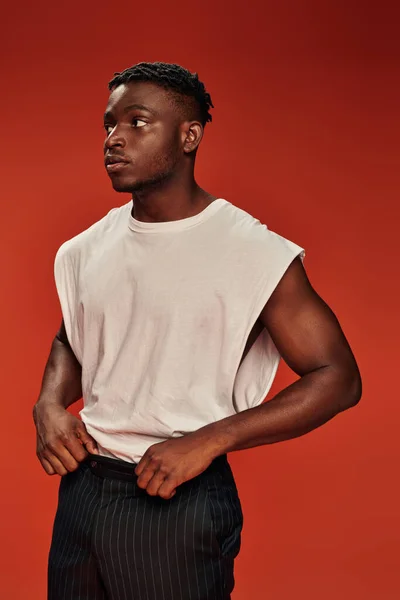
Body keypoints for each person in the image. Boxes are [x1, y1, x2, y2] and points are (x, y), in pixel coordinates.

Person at [33, 61, 362, 600]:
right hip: (83, 490)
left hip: (174, 498)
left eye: (138, 122)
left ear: (190, 135)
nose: (114, 139)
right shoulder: (83, 249)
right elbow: (76, 336)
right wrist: (48, 404)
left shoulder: (253, 252)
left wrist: (210, 440)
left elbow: (339, 378)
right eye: (109, 125)